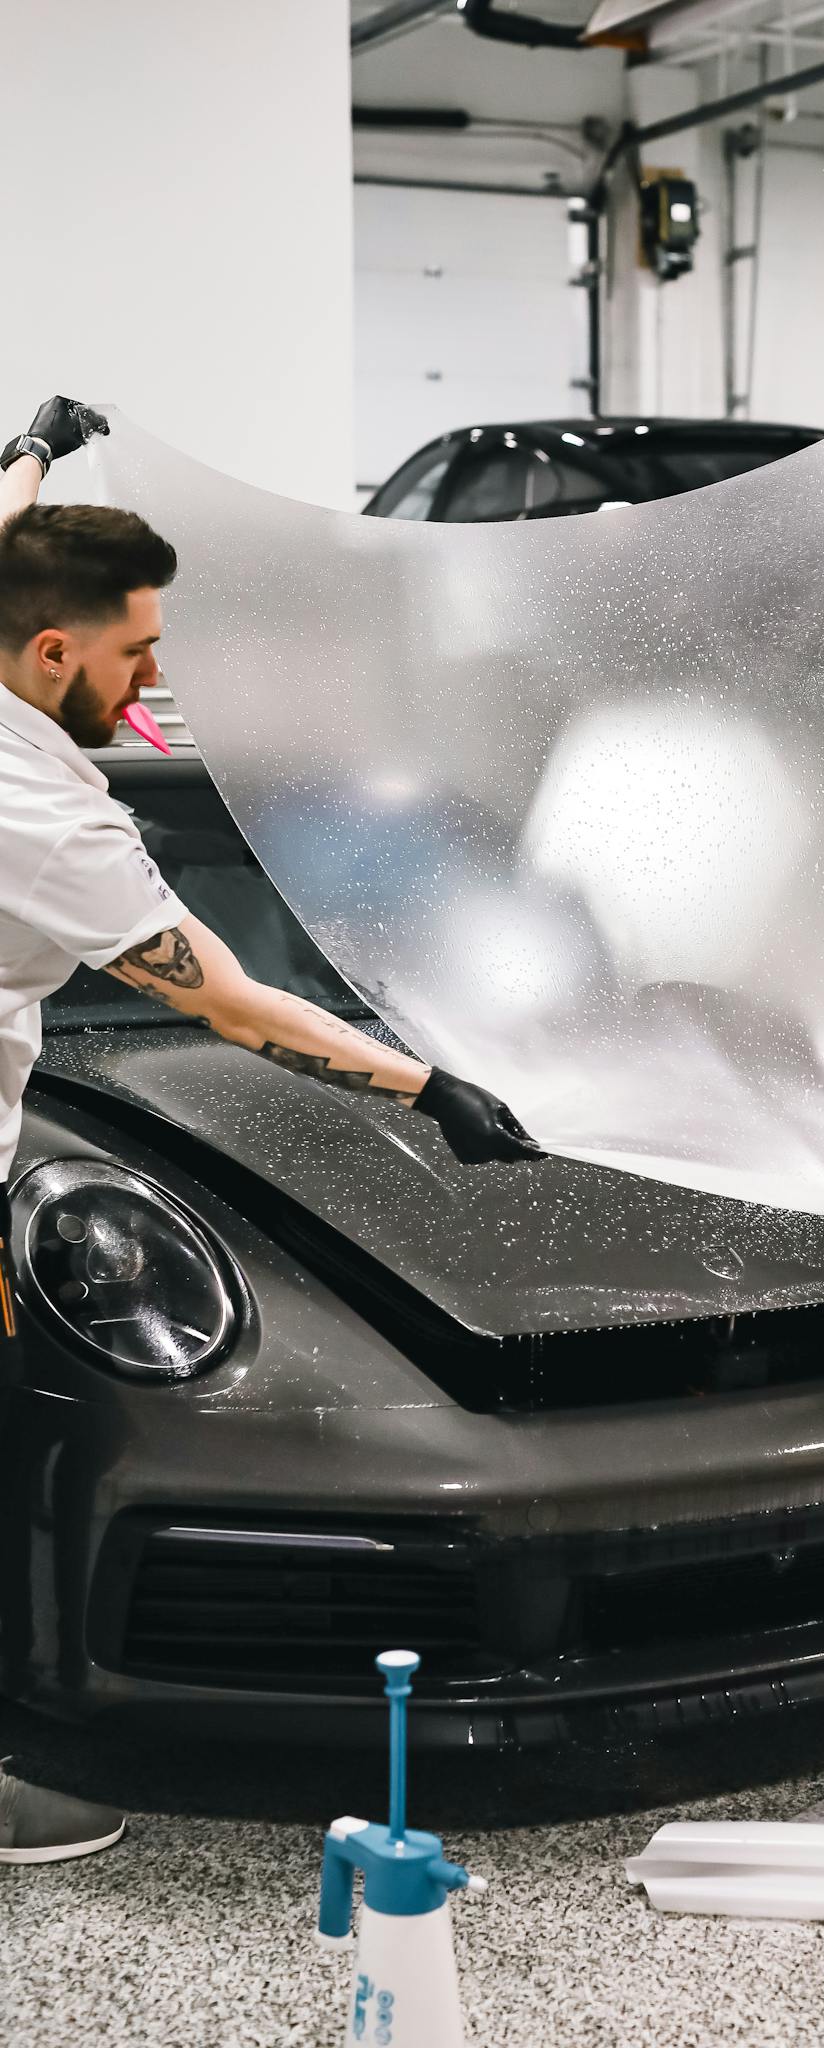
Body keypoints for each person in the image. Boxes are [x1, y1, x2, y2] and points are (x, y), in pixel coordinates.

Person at [0, 398, 542, 1862]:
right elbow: (235, 1004)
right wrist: (431, 1090)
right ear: (50, 654)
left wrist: (35, 449)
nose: (157, 675)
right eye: (136, 653)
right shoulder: (52, 825)